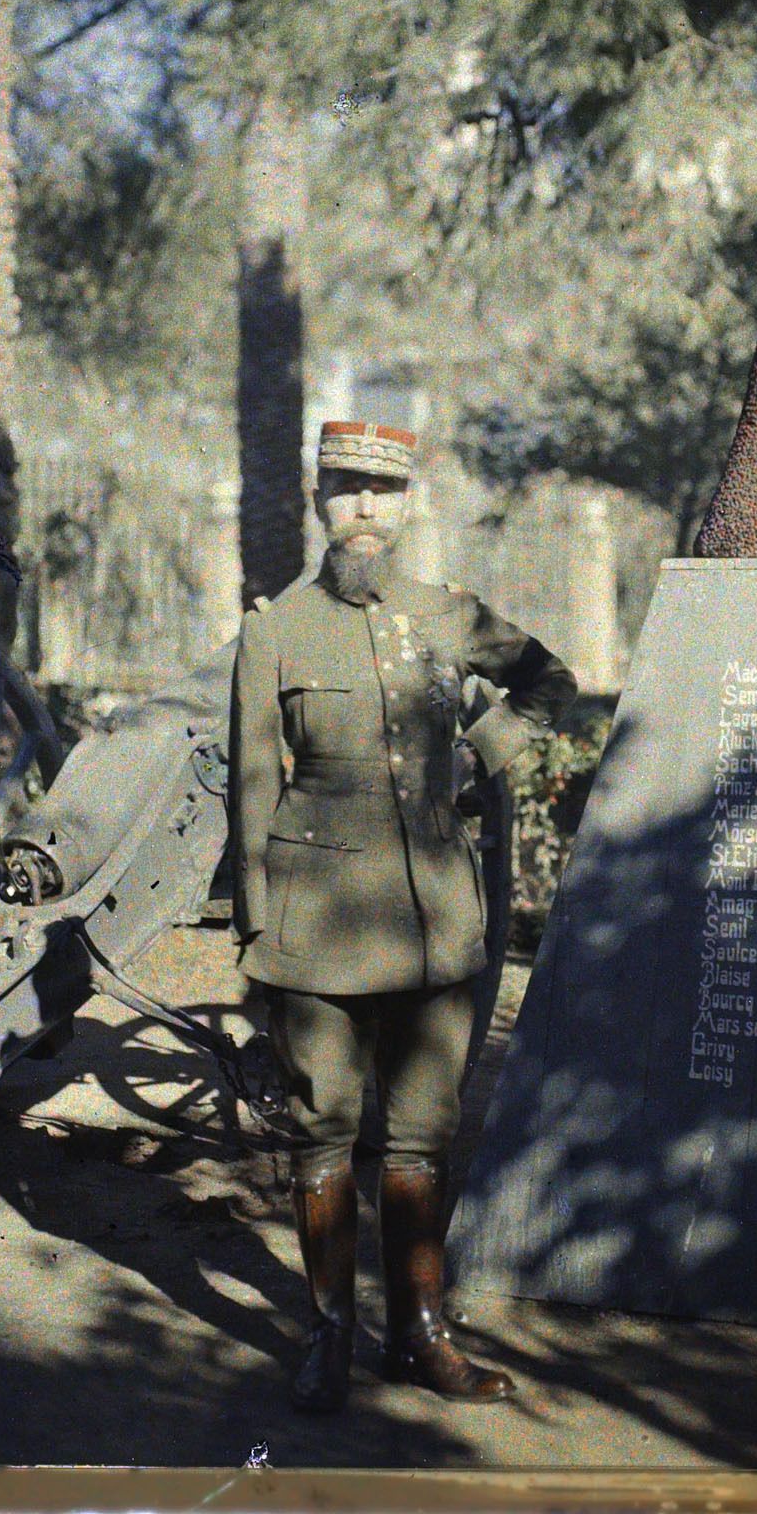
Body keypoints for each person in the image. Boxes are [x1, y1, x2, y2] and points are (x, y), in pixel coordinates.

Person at [228, 421, 577, 1414]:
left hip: (432, 918)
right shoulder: (275, 630)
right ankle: (329, 1337)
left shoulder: (446, 614)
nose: (364, 508)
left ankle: (420, 1336)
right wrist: (257, 927)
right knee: (322, 1135)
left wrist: (476, 753)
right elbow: (251, 785)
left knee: (423, 1133)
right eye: (345, 487)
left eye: (382, 490)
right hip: (313, 926)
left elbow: (548, 682)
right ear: (318, 500)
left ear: (407, 502)